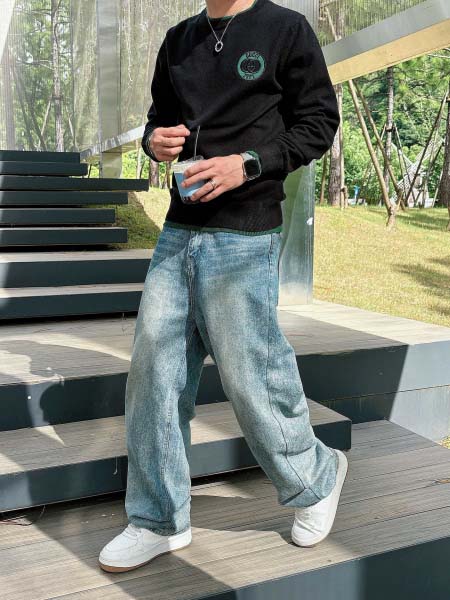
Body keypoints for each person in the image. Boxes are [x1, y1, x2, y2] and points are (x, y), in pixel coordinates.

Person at [99, 0, 347, 573]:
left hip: (246, 232)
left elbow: (319, 123)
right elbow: (159, 121)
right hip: (179, 230)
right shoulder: (178, 39)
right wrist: (155, 142)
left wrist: (249, 163)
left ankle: (317, 476)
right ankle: (158, 518)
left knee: (251, 375)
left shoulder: (286, 28)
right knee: (154, 375)